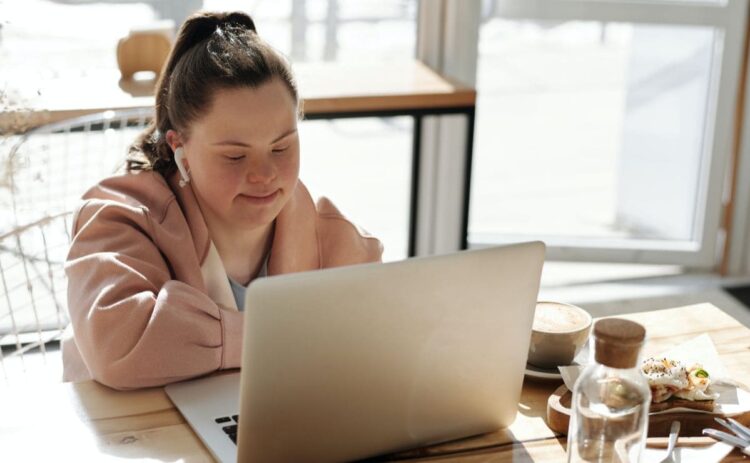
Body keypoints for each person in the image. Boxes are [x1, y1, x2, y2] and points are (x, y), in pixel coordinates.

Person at [62, 11, 383, 390]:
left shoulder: (335, 237)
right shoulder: (119, 218)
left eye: (281, 147)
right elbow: (118, 346)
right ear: (179, 147)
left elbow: (373, 348)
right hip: (130, 440)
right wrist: (283, 338)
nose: (264, 174)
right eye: (235, 155)